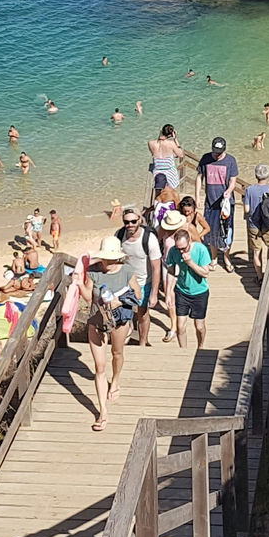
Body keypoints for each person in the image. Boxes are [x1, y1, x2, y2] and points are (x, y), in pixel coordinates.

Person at [82, 235, 139, 431]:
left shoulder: (127, 271)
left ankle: (115, 380)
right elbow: (89, 298)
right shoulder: (93, 272)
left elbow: (138, 296)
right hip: (96, 321)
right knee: (99, 367)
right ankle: (102, 412)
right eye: (103, 258)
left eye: (109, 258)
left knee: (117, 353)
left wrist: (119, 301)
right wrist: (79, 284)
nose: (105, 262)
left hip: (119, 320)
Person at [163, 212, 213, 349]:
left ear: (189, 241)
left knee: (199, 326)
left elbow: (205, 273)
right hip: (182, 291)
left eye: (183, 248)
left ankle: (200, 347)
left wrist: (190, 263)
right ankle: (183, 351)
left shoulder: (201, 250)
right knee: (180, 326)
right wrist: (168, 293)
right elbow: (171, 272)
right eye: (178, 248)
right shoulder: (174, 251)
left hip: (200, 292)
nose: (181, 252)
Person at [119, 208, 166, 346]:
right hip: (125, 281)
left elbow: (156, 268)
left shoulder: (149, 239)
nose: (130, 225)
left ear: (140, 219)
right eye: (126, 222)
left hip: (145, 281)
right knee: (122, 313)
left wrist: (154, 293)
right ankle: (122, 341)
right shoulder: (119, 235)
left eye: (133, 221)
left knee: (143, 314)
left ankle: (142, 343)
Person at [196, 137, 242, 262]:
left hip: (226, 203)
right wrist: (197, 196)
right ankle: (214, 257)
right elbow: (199, 177)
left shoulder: (231, 160)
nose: (217, 155)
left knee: (227, 231)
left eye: (219, 153)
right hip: (210, 203)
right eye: (215, 152)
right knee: (210, 231)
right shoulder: (205, 159)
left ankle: (227, 257)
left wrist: (229, 191)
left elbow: (233, 181)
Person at [244, 164, 269, 265]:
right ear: (268, 175)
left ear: (256, 176)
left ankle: (260, 277)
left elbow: (246, 209)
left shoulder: (249, 189)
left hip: (254, 224)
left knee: (256, 252)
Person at [148, 124, 190, 197]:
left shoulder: (151, 143)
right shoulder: (171, 144)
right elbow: (181, 154)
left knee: (158, 195)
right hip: (170, 172)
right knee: (172, 193)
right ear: (171, 134)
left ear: (161, 131)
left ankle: (157, 204)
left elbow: (153, 153)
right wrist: (175, 139)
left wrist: (160, 134)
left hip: (158, 172)